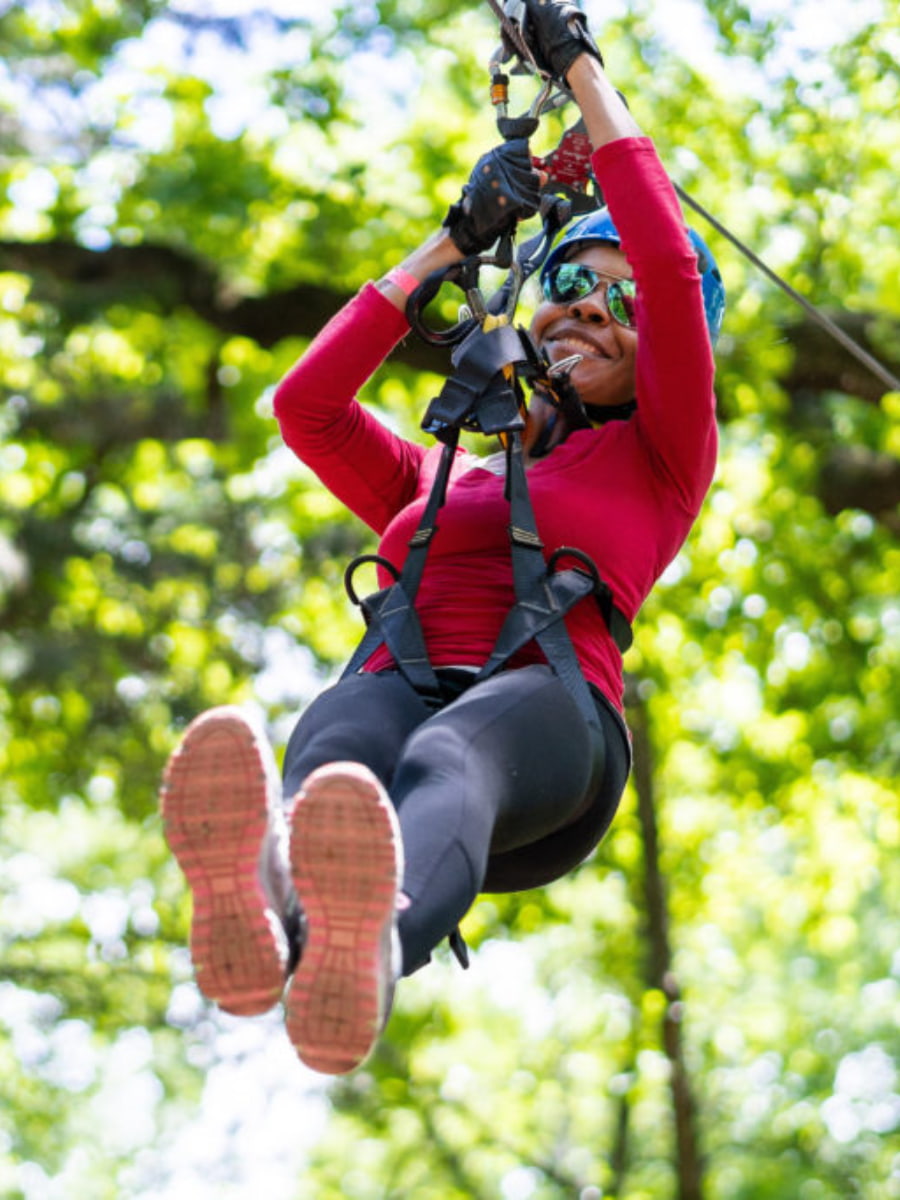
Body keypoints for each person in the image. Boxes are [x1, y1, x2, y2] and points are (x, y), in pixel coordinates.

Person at [160, 0, 725, 1076]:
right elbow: (305, 407)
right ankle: (274, 925)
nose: (592, 312)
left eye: (628, 304)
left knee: (444, 751)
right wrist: (455, 240)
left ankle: (369, 948)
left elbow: (659, 248)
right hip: (401, 675)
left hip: (550, 719)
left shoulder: (663, 456)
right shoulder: (441, 476)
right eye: (568, 283)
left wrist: (582, 67)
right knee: (346, 733)